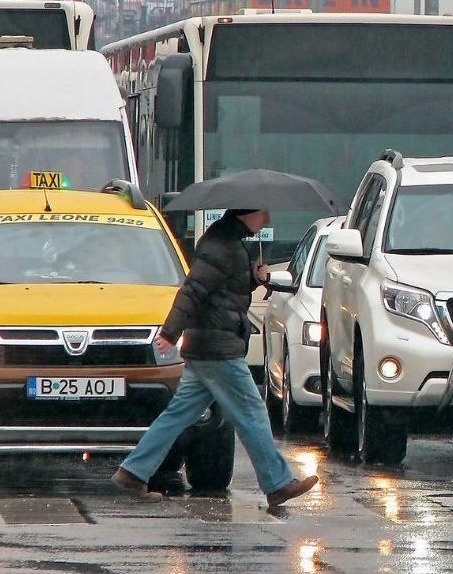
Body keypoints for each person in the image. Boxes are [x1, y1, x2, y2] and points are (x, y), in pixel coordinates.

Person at [111, 208, 319, 506]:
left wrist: (254, 279)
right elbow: (193, 291)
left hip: (208, 344)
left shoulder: (227, 243)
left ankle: (132, 473)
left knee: (178, 415)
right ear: (247, 213)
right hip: (217, 347)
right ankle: (277, 483)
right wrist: (170, 332)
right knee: (253, 413)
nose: (268, 221)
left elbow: (221, 290)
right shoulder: (223, 247)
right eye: (264, 214)